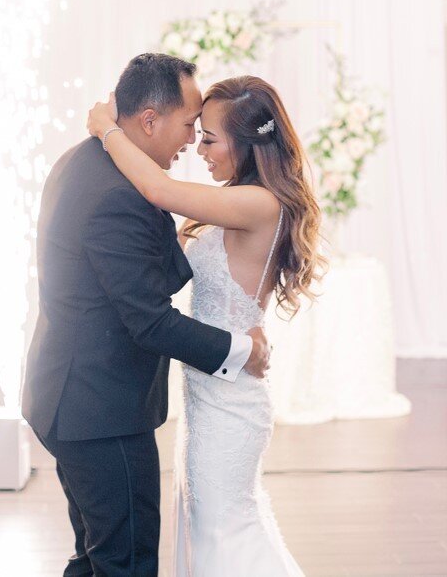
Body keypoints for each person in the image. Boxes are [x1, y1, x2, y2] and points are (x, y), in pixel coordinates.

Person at [21, 53, 272, 577]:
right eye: (188, 127)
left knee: (95, 557)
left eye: (204, 134)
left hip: (71, 395)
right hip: (101, 412)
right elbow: (150, 322)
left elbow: (130, 272)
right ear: (150, 119)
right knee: (126, 563)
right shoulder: (123, 193)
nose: (190, 142)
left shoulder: (82, 161)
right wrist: (241, 350)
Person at [87, 72, 324, 576]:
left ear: (246, 144)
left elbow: (156, 188)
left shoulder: (258, 203)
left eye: (210, 139)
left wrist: (106, 128)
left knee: (226, 532)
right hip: (210, 393)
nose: (200, 148)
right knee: (213, 528)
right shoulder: (235, 202)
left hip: (230, 404)